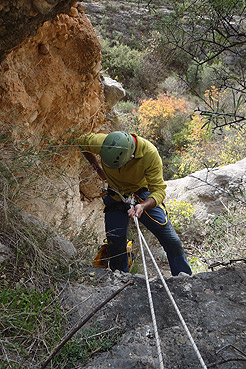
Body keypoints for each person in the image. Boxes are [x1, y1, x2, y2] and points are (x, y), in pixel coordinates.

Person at [77, 131, 192, 276]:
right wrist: (98, 168)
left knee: (171, 239)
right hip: (116, 194)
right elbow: (81, 142)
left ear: (131, 157)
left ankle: (184, 277)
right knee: (115, 240)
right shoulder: (104, 142)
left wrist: (143, 206)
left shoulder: (149, 154)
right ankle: (121, 277)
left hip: (141, 195)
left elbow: (159, 191)